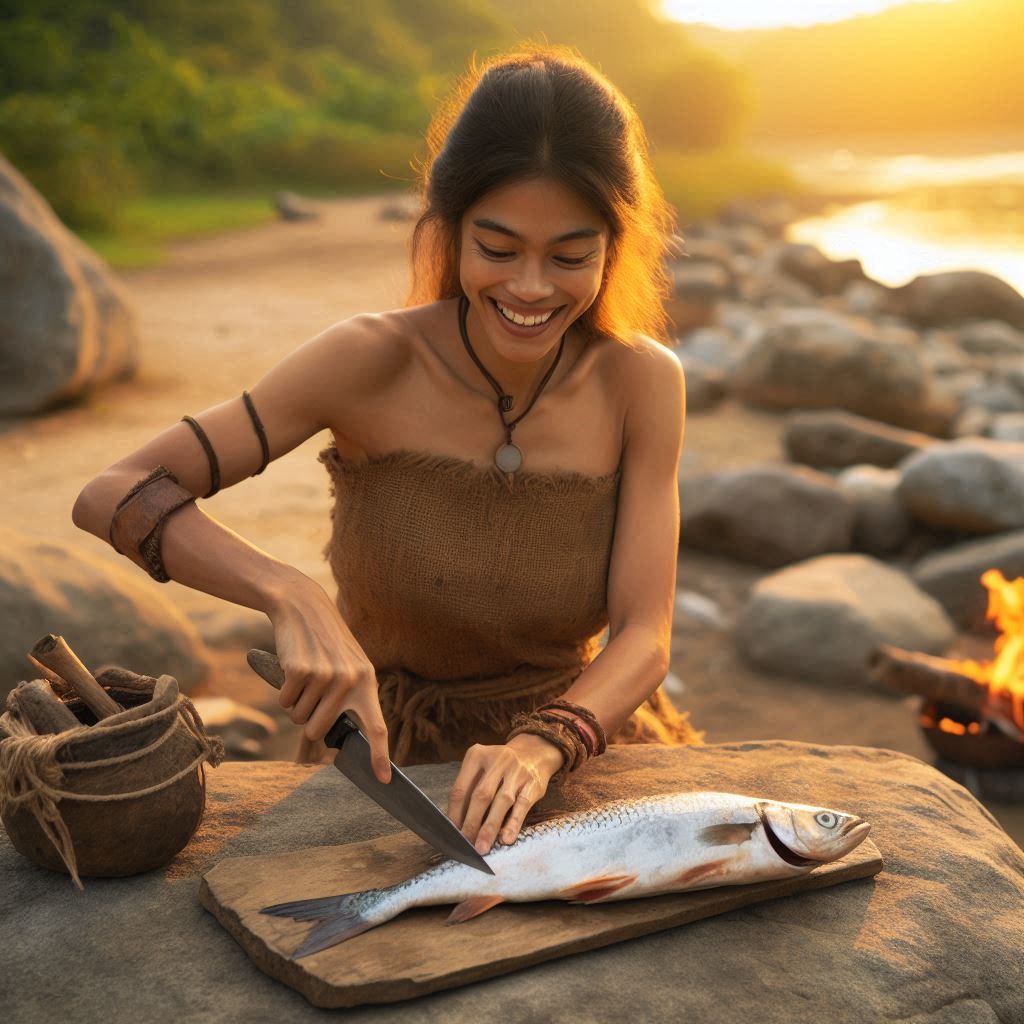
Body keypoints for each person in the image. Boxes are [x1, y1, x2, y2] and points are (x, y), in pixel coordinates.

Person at [71, 45, 699, 858]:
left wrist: (540, 748)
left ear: (616, 245)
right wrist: (289, 594)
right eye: (498, 249)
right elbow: (113, 492)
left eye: (570, 256)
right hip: (383, 765)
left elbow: (645, 634)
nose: (533, 288)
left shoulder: (641, 383)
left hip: (580, 752)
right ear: (447, 229)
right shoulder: (368, 359)